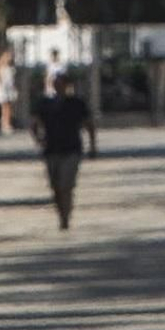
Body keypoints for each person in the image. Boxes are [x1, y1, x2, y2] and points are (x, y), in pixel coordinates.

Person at [31, 73, 97, 230]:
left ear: (67, 85)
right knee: (55, 186)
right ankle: (61, 212)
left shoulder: (77, 103)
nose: (58, 86)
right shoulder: (44, 103)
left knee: (66, 184)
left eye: (61, 83)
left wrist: (93, 146)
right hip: (51, 150)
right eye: (56, 84)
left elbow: (89, 124)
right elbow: (34, 123)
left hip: (71, 149)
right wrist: (39, 139)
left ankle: (66, 215)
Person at [0, 47, 18, 134]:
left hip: (9, 88)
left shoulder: (11, 67)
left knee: (9, 107)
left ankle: (7, 123)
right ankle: (4, 124)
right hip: (2, 88)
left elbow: (13, 80)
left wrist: (14, 87)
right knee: (4, 106)